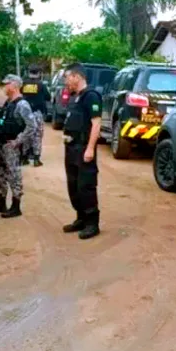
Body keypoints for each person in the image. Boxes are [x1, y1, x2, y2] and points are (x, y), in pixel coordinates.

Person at [61, 63, 103, 240]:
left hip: (84, 148)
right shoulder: (74, 97)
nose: (66, 82)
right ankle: (81, 218)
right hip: (71, 148)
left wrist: (90, 149)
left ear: (76, 77)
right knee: (73, 186)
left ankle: (92, 223)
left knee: (85, 186)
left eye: (67, 77)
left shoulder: (91, 96)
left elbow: (96, 124)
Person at [0, 74, 36, 218]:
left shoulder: (22, 105)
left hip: (12, 146)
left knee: (14, 176)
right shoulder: (8, 102)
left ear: (14, 86)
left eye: (6, 84)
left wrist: (18, 141)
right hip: (2, 144)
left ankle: (16, 206)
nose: (4, 87)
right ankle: (1, 202)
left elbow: (32, 126)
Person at [20, 64, 50, 167]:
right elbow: (48, 97)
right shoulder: (41, 85)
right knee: (37, 135)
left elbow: (21, 94)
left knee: (26, 133)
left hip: (25, 113)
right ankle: (36, 159)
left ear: (29, 73)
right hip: (37, 113)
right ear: (39, 73)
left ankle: (24, 158)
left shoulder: (24, 84)